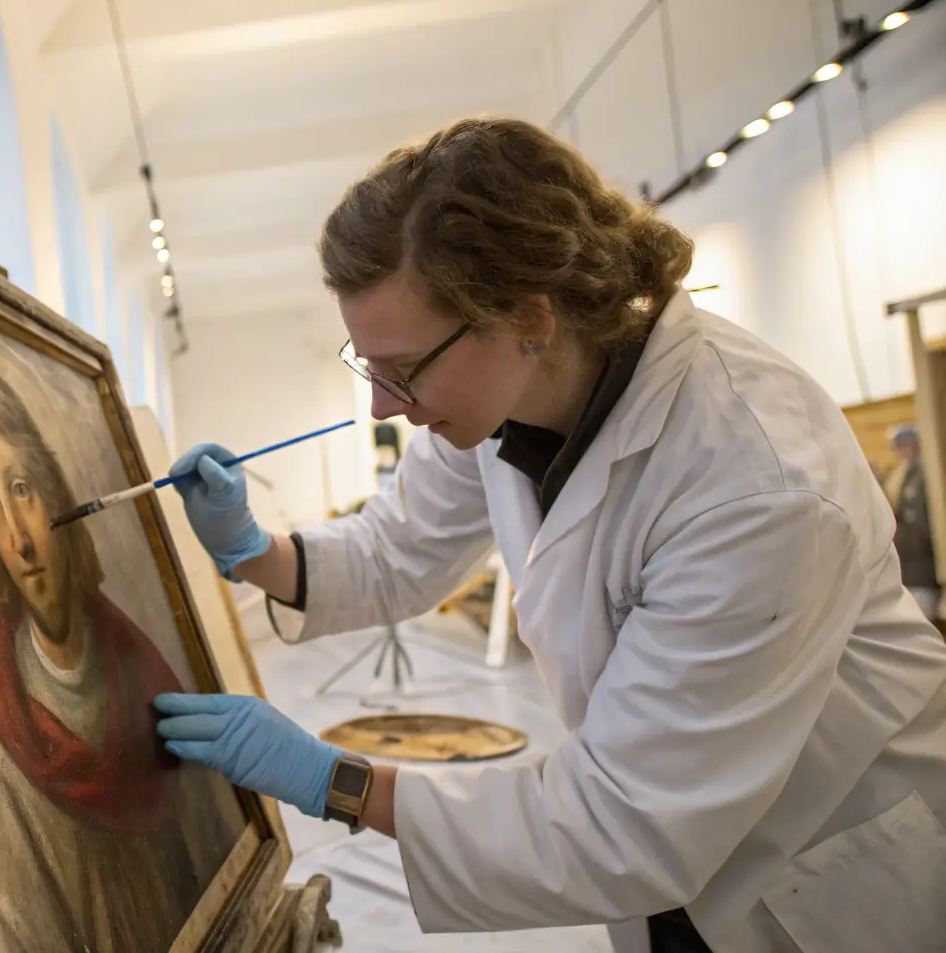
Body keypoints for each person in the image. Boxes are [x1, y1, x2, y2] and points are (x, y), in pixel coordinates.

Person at [153, 118, 946, 953]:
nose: (384, 406)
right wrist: (248, 547)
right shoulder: (509, 399)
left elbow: (621, 825)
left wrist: (335, 781)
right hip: (669, 858)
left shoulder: (754, 484)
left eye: (403, 370)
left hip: (827, 870)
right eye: (368, 365)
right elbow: (395, 551)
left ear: (529, 315)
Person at [0, 360, 237, 952]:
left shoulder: (140, 667)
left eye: (22, 488)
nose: (18, 537)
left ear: (59, 493)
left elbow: (214, 845)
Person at [881, 424, 940, 621]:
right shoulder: (904, 474)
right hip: (911, 563)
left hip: (923, 564)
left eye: (902, 445)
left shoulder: (926, 472)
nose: (899, 451)